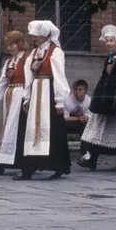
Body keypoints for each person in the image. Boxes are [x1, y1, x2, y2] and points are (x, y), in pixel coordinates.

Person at [14, 20, 71, 180]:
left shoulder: (55, 52)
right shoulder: (34, 53)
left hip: (49, 92)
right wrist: (26, 98)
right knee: (31, 129)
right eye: (35, 36)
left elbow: (59, 76)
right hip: (36, 92)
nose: (35, 39)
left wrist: (60, 100)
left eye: (38, 36)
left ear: (45, 35)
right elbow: (28, 76)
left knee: (53, 129)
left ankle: (58, 166)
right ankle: (29, 168)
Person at [78, 25, 116, 171]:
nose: (108, 43)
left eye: (111, 41)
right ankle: (92, 158)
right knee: (97, 128)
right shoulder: (109, 58)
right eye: (107, 41)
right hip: (106, 97)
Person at [0, 30, 28, 176]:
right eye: (8, 45)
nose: (9, 48)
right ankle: (1, 163)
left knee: (20, 130)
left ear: (20, 44)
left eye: (12, 45)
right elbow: (1, 83)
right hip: (10, 97)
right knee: (7, 129)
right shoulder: (9, 62)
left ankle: (23, 165)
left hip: (22, 96)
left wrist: (27, 100)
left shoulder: (27, 60)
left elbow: (30, 81)